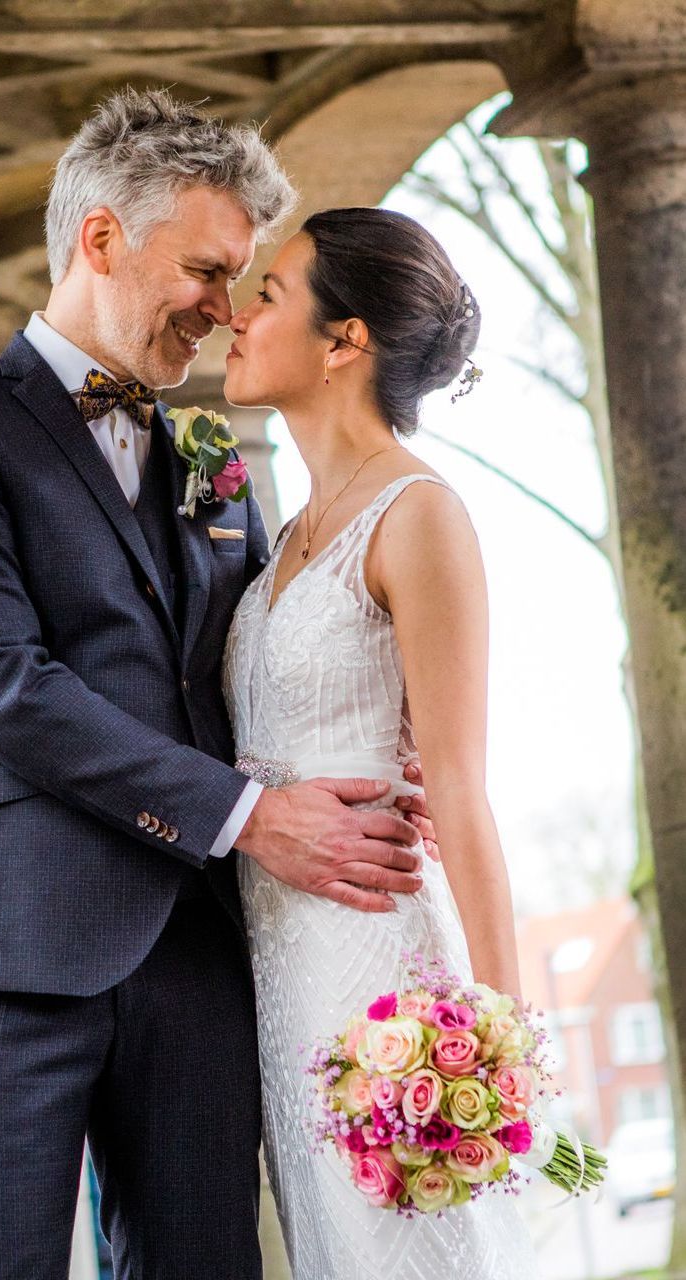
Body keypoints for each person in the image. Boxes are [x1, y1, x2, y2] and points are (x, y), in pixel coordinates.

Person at [0, 91, 437, 1279]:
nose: (223, 313)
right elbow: (5, 687)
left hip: (199, 958)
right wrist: (254, 816)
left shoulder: (214, 458)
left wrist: (382, 735)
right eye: (208, 272)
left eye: (242, 283)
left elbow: (262, 657)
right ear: (102, 240)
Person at [223, 207, 540, 1278]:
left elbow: (459, 783)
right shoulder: (280, 542)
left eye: (267, 296)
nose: (236, 315)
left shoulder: (419, 513)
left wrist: (500, 1041)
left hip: (385, 973)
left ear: (342, 340)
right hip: (282, 967)